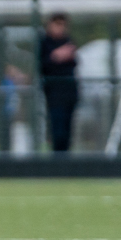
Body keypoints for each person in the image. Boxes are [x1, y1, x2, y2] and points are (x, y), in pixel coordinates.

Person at [39, 13, 79, 152]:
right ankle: (57, 161)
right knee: (58, 130)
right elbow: (43, 65)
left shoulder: (68, 41)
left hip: (69, 92)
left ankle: (66, 162)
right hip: (54, 94)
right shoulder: (44, 43)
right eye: (57, 24)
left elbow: (74, 63)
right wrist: (56, 56)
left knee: (68, 130)